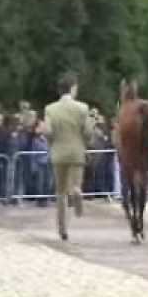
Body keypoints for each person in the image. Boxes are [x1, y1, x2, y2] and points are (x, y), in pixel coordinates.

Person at [44, 72, 95, 241]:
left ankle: (62, 229)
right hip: (76, 151)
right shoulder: (82, 108)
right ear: (72, 88)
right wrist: (85, 141)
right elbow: (88, 132)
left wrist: (52, 142)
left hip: (58, 152)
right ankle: (77, 191)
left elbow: (47, 131)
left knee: (60, 193)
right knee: (75, 184)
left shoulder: (50, 109)